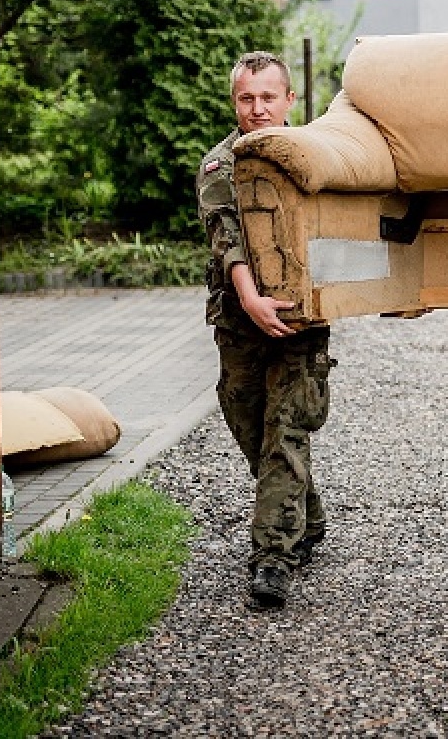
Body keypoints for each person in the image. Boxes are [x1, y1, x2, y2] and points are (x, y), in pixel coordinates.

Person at [197, 51, 334, 609]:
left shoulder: (313, 158)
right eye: (246, 99)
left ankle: (272, 558)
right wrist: (251, 299)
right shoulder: (219, 164)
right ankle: (308, 514)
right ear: (236, 103)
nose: (257, 109)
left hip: (301, 322)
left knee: (288, 427)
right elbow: (225, 234)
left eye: (267, 97)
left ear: (289, 100)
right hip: (240, 320)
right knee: (248, 422)